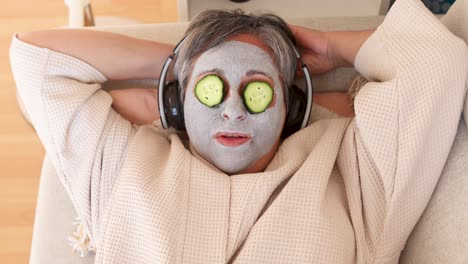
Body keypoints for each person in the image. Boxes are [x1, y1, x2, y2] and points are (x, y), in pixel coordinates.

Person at [9, 0, 467, 262]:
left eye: (257, 92)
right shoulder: (125, 164)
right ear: (177, 100)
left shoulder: (346, 171)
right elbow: (36, 61)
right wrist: (182, 64)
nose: (232, 111)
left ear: (292, 109)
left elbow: (437, 65)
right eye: (211, 89)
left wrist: (331, 49)